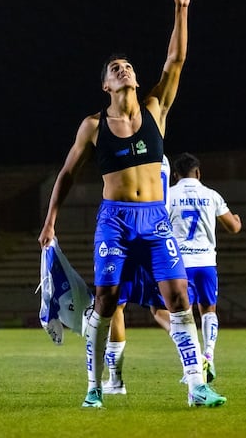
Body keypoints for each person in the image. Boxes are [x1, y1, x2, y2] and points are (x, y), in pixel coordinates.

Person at [38, 0, 226, 409]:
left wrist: (181, 9)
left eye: (127, 67)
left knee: (178, 295)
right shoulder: (94, 126)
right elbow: (66, 175)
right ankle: (93, 387)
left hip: (156, 220)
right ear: (106, 85)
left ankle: (197, 384)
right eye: (114, 69)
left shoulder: (156, 108)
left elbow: (175, 61)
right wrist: (50, 219)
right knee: (105, 301)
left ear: (136, 80)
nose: (123, 69)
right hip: (115, 221)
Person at [167, 152, 242, 383]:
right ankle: (208, 354)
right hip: (206, 263)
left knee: (183, 316)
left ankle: (192, 366)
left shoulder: (168, 195)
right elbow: (233, 228)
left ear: (175, 175)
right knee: (208, 310)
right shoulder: (211, 195)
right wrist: (237, 219)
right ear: (198, 172)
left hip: (180, 265)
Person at [102, 155, 171, 395]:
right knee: (161, 309)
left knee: (115, 307)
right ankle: (192, 361)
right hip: (157, 232)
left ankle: (116, 381)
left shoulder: (128, 152)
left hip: (128, 228)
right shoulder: (162, 158)